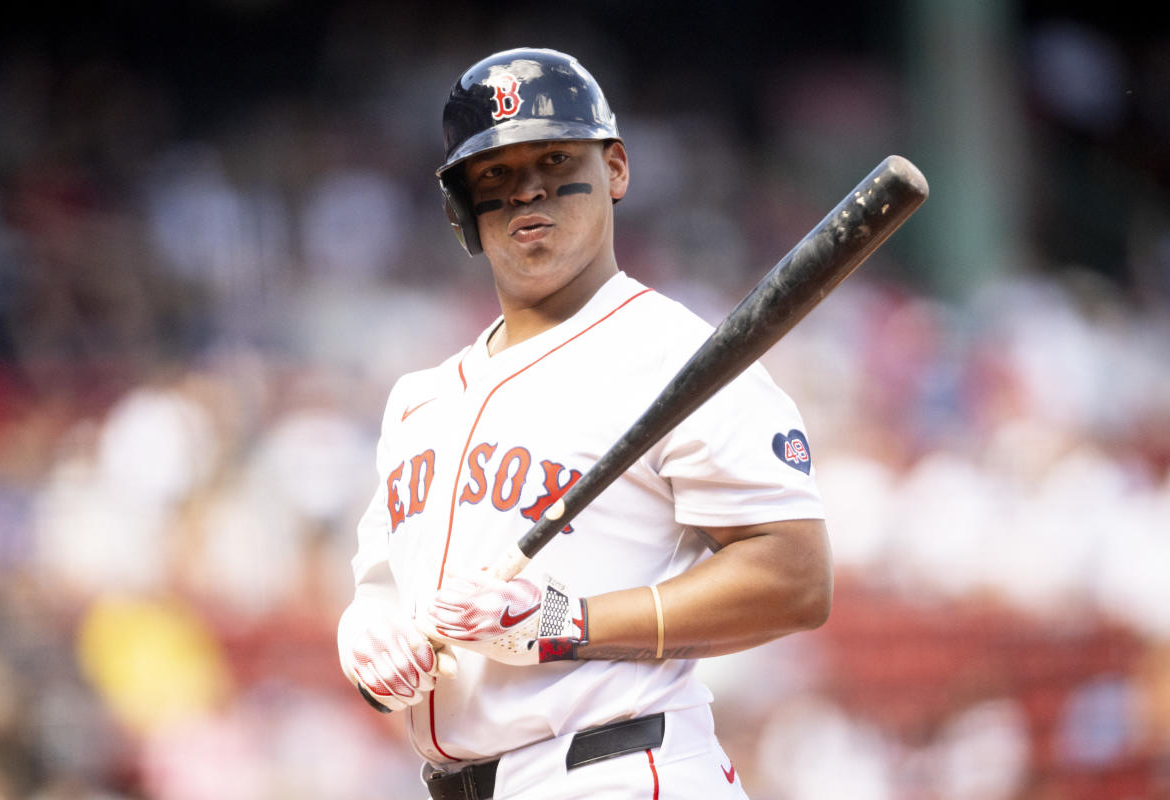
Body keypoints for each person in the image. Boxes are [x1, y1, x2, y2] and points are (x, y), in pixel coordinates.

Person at [336, 47, 833, 800]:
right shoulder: (418, 400)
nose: (527, 189)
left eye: (555, 158)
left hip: (617, 770)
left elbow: (795, 576)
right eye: (494, 173)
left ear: (616, 169)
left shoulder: (675, 356)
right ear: (460, 205)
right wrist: (369, 639)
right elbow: (379, 591)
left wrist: (568, 621)